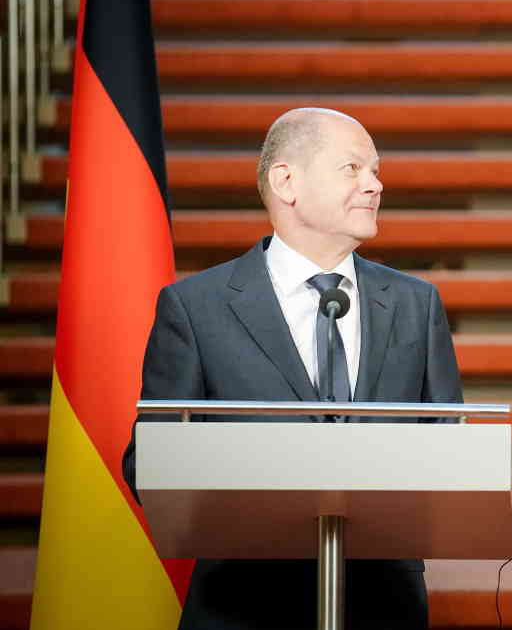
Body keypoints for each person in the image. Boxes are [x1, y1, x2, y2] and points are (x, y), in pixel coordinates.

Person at [122, 108, 464, 630]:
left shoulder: (416, 303)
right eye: (353, 169)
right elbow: (148, 461)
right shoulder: (196, 306)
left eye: (375, 171)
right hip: (242, 604)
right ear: (287, 181)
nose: (374, 186)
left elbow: (450, 448)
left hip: (382, 603)